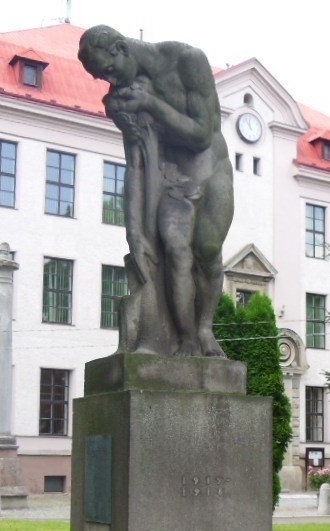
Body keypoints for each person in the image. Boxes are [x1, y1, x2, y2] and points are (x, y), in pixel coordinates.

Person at [79, 25, 233, 357]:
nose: (110, 80)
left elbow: (203, 134)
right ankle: (187, 339)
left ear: (120, 48)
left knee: (207, 250)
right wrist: (134, 231)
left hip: (211, 169)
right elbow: (134, 166)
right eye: (101, 77)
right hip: (173, 177)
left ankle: (205, 329)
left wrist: (151, 103)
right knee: (176, 249)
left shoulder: (187, 61)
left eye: (108, 69)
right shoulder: (124, 98)